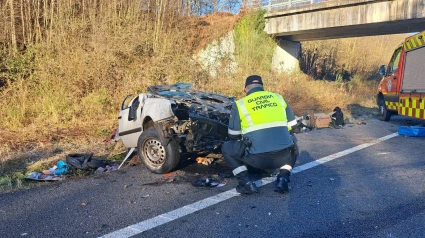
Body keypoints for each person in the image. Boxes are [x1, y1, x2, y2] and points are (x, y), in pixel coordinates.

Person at [221, 75, 299, 195]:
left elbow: (233, 135)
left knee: (227, 147)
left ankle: (246, 184)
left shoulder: (240, 104)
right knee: (293, 141)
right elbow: (293, 126)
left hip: (257, 159)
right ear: (262, 87)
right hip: (283, 156)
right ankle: (283, 178)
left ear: (245, 89)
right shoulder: (278, 98)